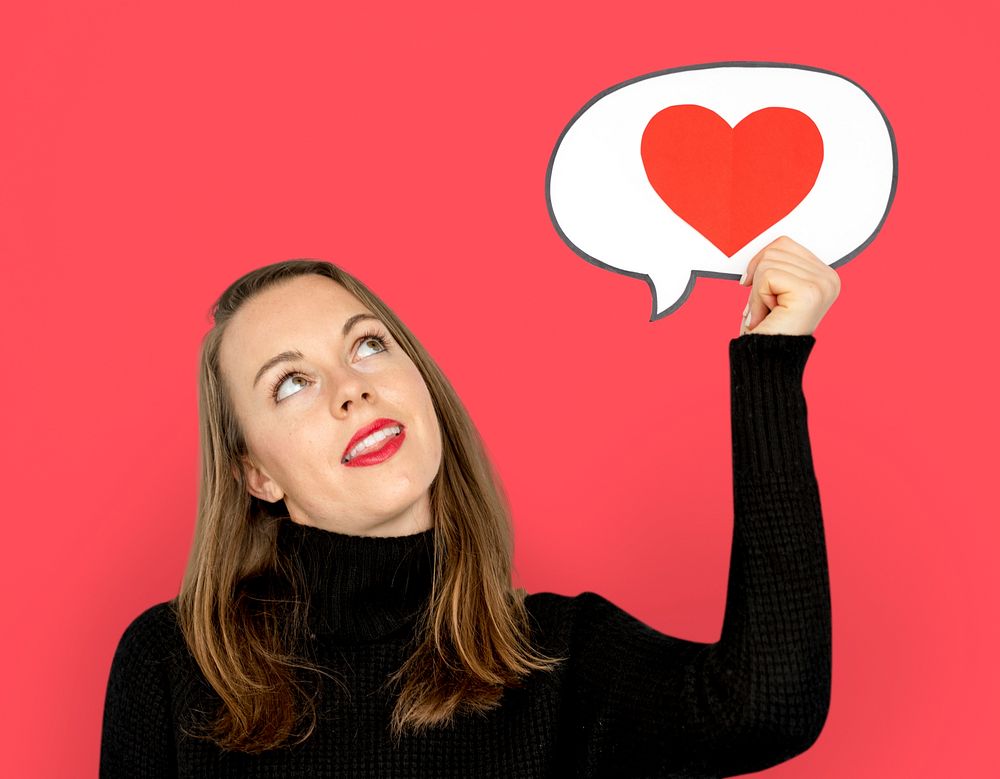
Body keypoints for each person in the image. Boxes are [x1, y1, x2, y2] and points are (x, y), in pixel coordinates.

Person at [100, 235, 840, 777]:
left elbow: (764, 706)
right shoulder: (171, 664)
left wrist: (771, 360)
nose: (351, 388)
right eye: (290, 383)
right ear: (256, 472)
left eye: (367, 346)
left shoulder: (555, 654)